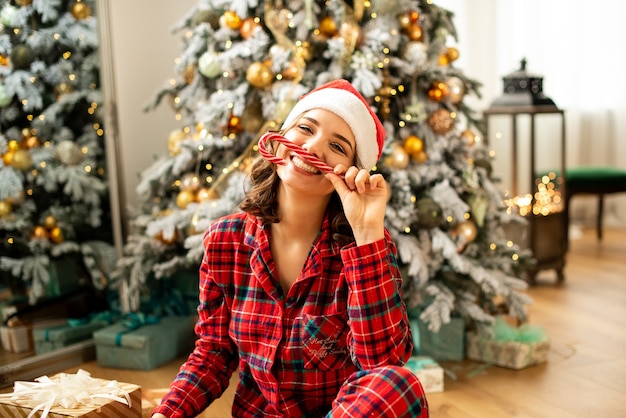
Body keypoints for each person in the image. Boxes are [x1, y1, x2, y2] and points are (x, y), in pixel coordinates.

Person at [152, 79, 428, 418]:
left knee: (398, 384)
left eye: (338, 147)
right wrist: (166, 414)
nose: (313, 148)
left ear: (353, 173)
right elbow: (213, 354)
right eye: (305, 128)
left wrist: (367, 232)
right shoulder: (225, 240)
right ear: (280, 137)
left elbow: (383, 367)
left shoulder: (366, 247)